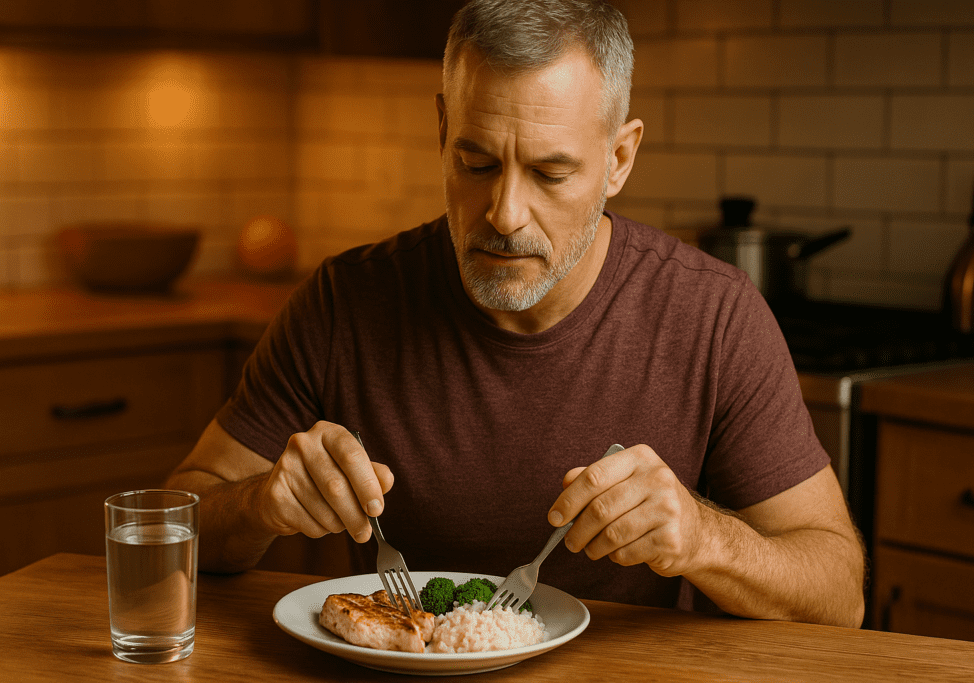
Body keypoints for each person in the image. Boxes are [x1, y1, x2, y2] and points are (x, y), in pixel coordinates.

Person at [165, 0, 865, 628]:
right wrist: (261, 504)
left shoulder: (713, 315)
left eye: (550, 173)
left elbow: (840, 593)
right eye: (475, 163)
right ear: (442, 129)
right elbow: (176, 524)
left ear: (619, 158)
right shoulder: (345, 301)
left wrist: (705, 539)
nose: (503, 214)